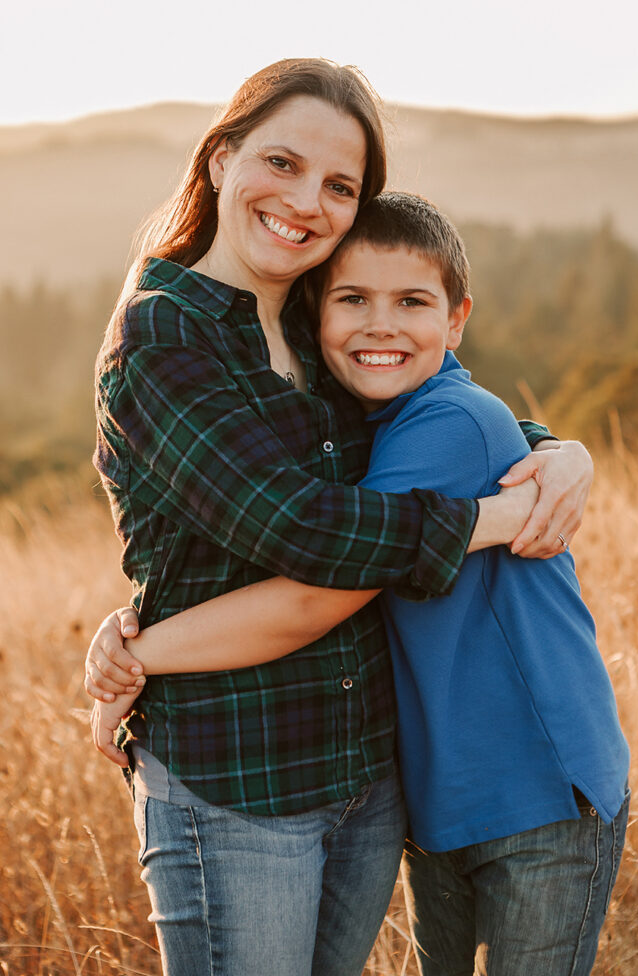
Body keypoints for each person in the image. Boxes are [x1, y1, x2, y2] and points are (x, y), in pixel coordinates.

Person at [89, 58, 594, 976]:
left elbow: (420, 399)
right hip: (237, 780)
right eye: (280, 163)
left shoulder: (319, 320)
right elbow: (304, 532)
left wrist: (554, 449)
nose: (304, 201)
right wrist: (491, 515)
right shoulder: (166, 336)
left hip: (365, 776)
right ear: (219, 160)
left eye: (339, 186)